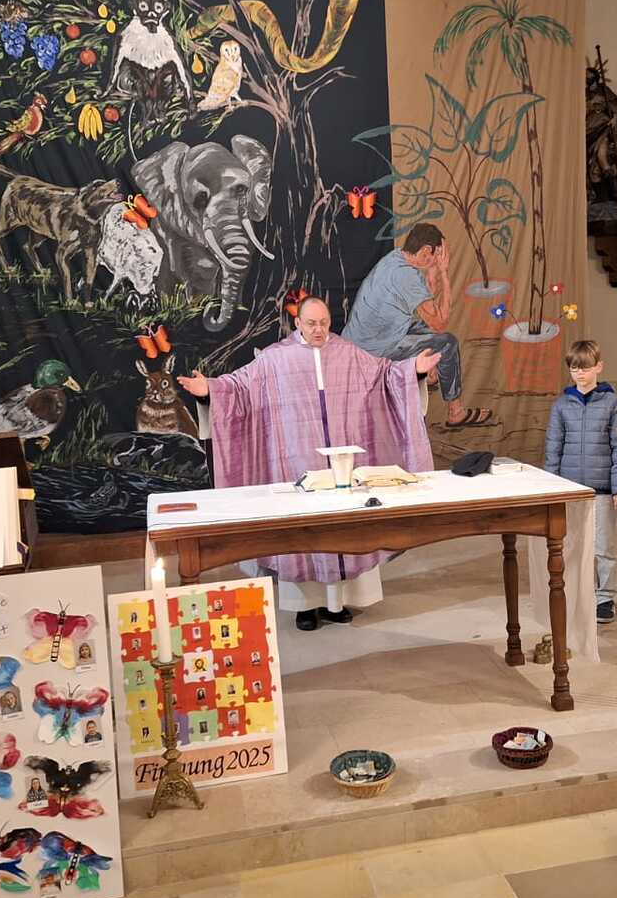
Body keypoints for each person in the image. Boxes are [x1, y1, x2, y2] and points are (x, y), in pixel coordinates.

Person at [179, 297, 439, 631]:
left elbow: (385, 375)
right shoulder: (275, 358)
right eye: (312, 323)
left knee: (343, 528)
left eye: (324, 323)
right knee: (304, 532)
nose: (319, 330)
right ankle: (304, 606)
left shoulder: (348, 353)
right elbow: (239, 388)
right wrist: (209, 390)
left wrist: (412, 369)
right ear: (298, 323)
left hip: (343, 465)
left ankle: (338, 602)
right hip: (296, 461)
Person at [343, 224, 492, 428]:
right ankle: (456, 412)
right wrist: (444, 273)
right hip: (373, 349)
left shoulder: (396, 258)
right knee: (447, 342)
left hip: (367, 337)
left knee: (422, 325)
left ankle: (430, 374)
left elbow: (426, 298)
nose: (440, 259)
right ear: (426, 251)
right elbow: (439, 322)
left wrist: (432, 270)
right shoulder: (406, 276)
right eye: (438, 254)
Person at [543, 340, 617, 624]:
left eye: (585, 367)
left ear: (598, 367)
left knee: (603, 547)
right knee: (571, 545)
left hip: (602, 489)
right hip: (570, 490)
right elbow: (553, 447)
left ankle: (605, 598)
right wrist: (553, 488)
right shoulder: (561, 405)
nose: (580, 373)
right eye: (574, 368)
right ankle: (576, 592)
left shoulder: (612, 403)